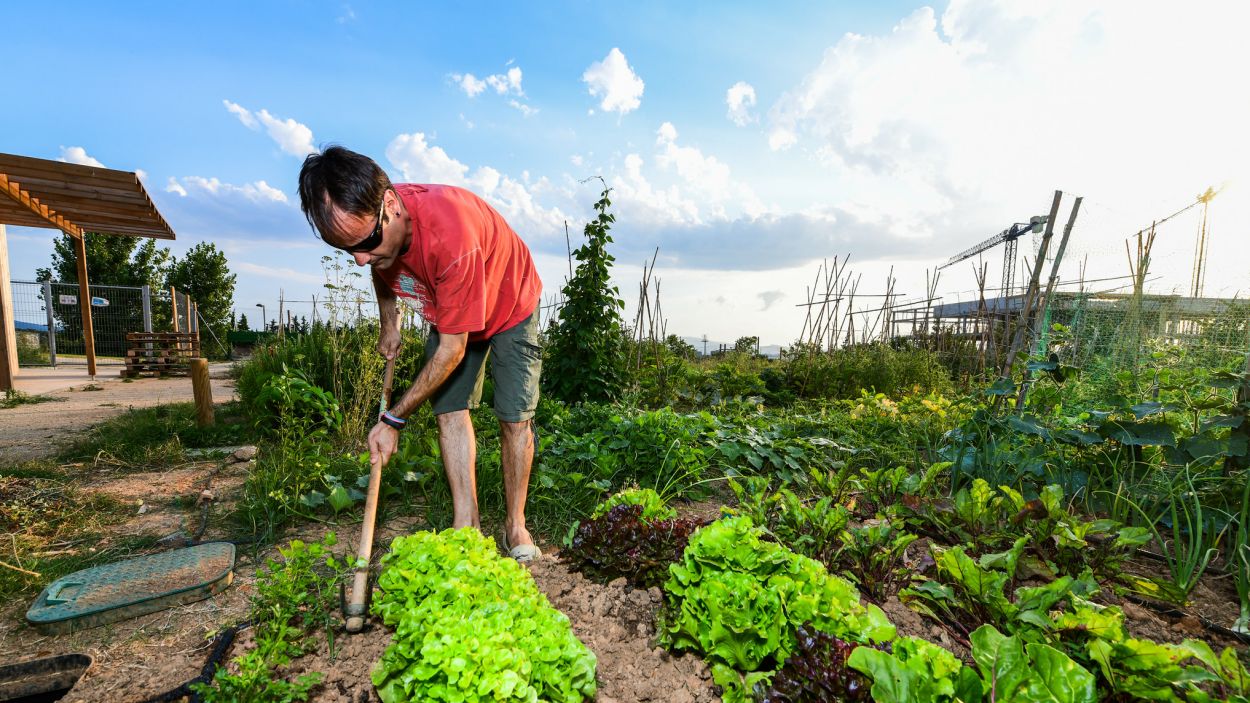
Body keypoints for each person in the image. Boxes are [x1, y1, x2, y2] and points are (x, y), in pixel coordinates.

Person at [297, 145, 544, 561]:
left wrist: (393, 419)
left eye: (366, 242)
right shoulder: (379, 231)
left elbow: (452, 349)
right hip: (451, 304)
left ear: (390, 206)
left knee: (514, 416)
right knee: (449, 409)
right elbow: (380, 265)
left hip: (509, 302)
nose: (359, 260)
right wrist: (388, 320)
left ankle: (515, 525)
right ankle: (467, 525)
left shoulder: (452, 235)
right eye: (347, 250)